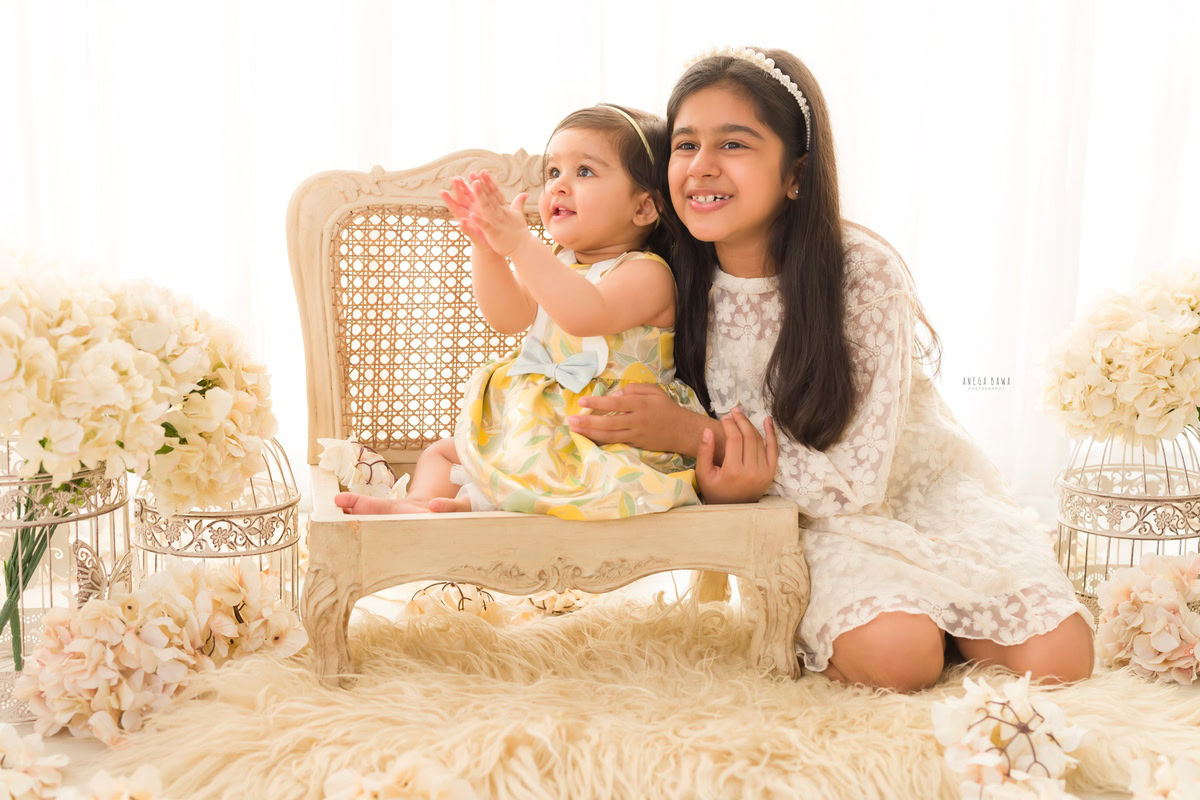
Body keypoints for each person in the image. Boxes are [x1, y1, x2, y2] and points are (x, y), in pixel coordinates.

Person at [566, 47, 1096, 692]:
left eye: (734, 144)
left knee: (1063, 662)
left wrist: (687, 433)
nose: (702, 167)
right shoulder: (660, 275)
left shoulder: (861, 272)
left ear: (796, 173)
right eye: (685, 145)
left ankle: (942, 613)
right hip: (797, 517)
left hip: (908, 489)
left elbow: (861, 482)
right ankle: (904, 621)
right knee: (900, 661)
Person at [334, 104, 705, 520]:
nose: (559, 186)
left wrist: (520, 245)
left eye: (584, 172)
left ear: (643, 208)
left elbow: (586, 313)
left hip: (605, 435)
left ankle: (472, 504)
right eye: (553, 173)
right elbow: (507, 316)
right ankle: (421, 505)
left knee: (578, 477)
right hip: (539, 421)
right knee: (442, 453)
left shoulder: (646, 274)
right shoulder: (558, 260)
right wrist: (487, 249)